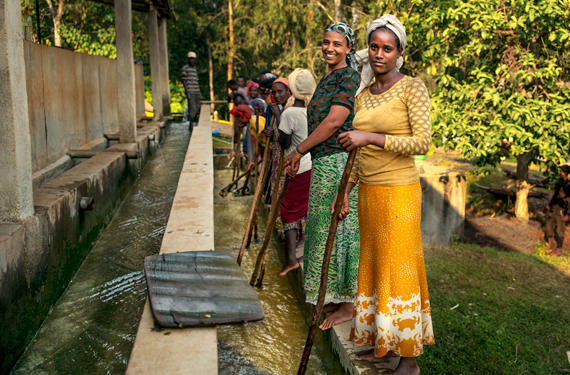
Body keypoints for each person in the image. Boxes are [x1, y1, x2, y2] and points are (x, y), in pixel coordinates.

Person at [336, 15, 434, 374]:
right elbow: (359, 156)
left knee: (401, 270)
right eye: (374, 47)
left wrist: (370, 137)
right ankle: (381, 344)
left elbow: (421, 142)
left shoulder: (412, 88)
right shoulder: (362, 97)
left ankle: (408, 358)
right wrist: (345, 191)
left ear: (398, 53)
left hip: (400, 193)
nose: (379, 54)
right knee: (375, 267)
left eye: (387, 49)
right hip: (368, 195)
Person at [283, 22, 360, 330]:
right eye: (326, 42)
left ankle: (348, 305)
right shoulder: (329, 76)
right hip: (324, 163)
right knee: (322, 228)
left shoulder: (348, 77)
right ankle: (334, 293)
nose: (330, 48)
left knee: (341, 230)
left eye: (337, 44)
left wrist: (298, 150)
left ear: (348, 49)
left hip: (339, 163)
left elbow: (333, 122)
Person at [277, 69, 316, 276]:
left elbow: (283, 142)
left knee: (288, 210)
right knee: (306, 206)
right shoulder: (313, 112)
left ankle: (291, 258)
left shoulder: (289, 113)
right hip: (312, 166)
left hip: (296, 167)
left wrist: (279, 122)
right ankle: (303, 248)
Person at [265, 78, 291, 205]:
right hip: (276, 158)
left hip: (286, 159)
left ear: (288, 91)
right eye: (274, 93)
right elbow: (277, 132)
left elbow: (286, 136)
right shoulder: (278, 108)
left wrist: (279, 115)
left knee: (285, 194)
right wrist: (269, 132)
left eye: (280, 92)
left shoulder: (290, 110)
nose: (276, 95)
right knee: (275, 191)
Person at [544, 165, 570, 255]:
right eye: (561, 171)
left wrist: (568, 214)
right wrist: (548, 206)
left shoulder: (568, 185)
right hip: (553, 209)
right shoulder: (558, 183)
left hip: (561, 210)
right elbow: (555, 195)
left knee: (560, 231)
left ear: (566, 173)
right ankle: (549, 248)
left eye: (563, 171)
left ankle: (559, 251)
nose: (561, 172)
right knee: (549, 228)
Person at [181, 51, 202, 128]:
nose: (192, 60)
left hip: (196, 91)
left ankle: (194, 126)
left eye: (193, 59)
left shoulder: (194, 69)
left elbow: (196, 81)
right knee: (192, 109)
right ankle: (191, 127)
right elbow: (184, 81)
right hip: (191, 91)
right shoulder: (185, 68)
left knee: (197, 108)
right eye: (190, 59)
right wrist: (187, 93)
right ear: (188, 59)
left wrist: (199, 93)